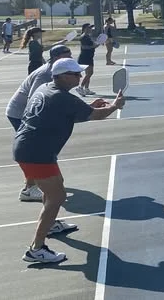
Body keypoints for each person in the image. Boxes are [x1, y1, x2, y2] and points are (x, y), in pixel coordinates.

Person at [15, 58, 125, 263]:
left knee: (56, 189)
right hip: (36, 153)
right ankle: (36, 249)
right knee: (57, 197)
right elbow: (98, 116)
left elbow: (63, 114)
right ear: (63, 76)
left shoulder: (46, 88)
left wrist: (87, 107)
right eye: (76, 74)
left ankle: (51, 223)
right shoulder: (64, 98)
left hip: (29, 148)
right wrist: (115, 106)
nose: (80, 76)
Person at [5, 45, 74, 202]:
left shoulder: (58, 72)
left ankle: (37, 182)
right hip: (19, 113)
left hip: (28, 113)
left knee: (36, 150)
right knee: (34, 150)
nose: (70, 58)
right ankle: (29, 189)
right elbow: (35, 99)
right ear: (56, 57)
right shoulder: (45, 74)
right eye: (66, 55)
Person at [76, 24, 99, 97]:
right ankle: (80, 87)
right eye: (89, 28)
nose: (91, 29)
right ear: (85, 28)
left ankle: (86, 89)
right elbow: (84, 47)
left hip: (89, 56)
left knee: (88, 74)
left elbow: (92, 45)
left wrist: (97, 44)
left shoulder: (88, 36)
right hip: (85, 57)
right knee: (90, 73)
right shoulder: (83, 37)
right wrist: (94, 46)